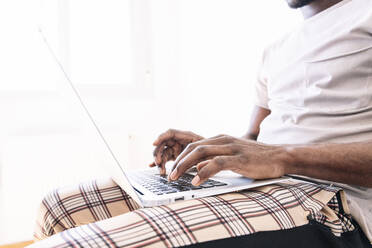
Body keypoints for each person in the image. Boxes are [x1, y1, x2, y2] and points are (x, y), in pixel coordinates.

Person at [30, 0, 372, 247]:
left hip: (331, 201)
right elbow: (254, 138)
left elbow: (274, 153)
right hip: (255, 185)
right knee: (57, 207)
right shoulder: (277, 49)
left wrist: (282, 157)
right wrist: (210, 148)